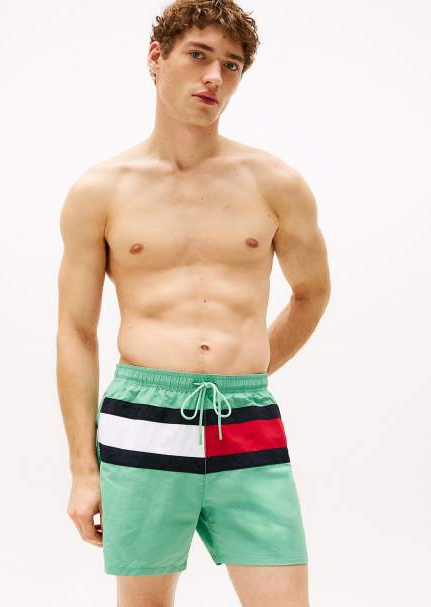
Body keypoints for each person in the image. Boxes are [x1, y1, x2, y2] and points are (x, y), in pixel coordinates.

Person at [56, 1, 331, 605]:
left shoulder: (275, 183)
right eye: (199, 55)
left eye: (231, 65)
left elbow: (312, 293)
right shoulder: (101, 190)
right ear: (157, 57)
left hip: (245, 418)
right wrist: (82, 470)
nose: (214, 77)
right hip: (143, 420)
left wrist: (251, 367)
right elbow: (76, 331)